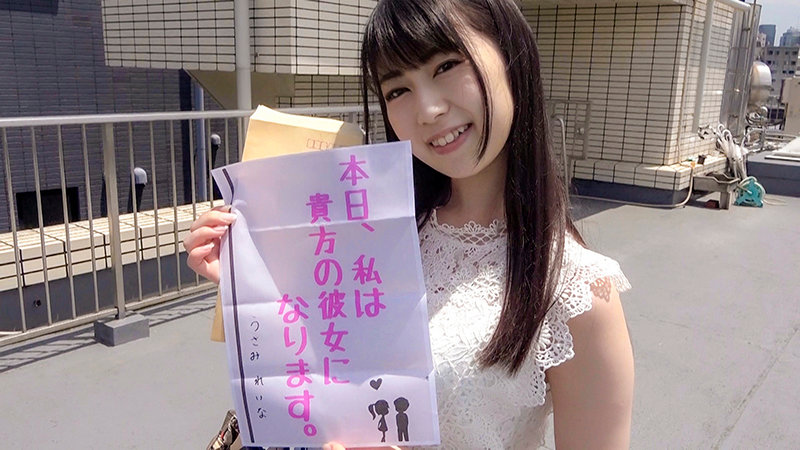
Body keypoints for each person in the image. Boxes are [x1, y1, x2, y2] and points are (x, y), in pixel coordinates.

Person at [184, 0, 634, 448]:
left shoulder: (578, 291)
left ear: (511, 56)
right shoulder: (373, 230)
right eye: (397, 90)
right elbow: (319, 356)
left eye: (447, 65)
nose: (428, 110)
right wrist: (248, 277)